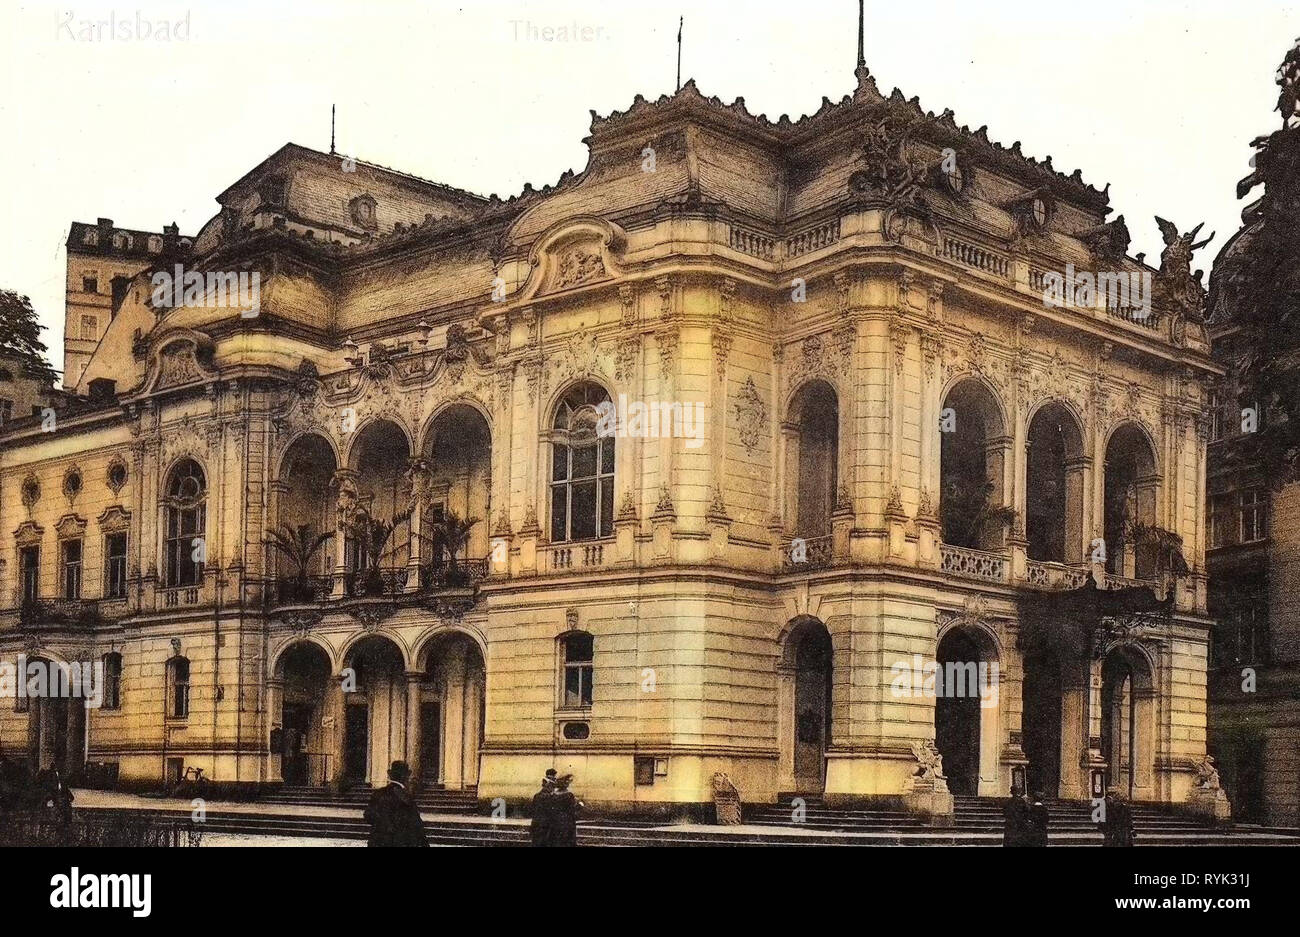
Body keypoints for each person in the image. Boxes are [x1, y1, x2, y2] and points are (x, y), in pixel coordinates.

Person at [363, 761, 428, 847]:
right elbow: (417, 825)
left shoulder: (378, 793)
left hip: (379, 841)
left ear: (390, 774)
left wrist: (382, 826)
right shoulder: (405, 796)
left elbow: (368, 815)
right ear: (406, 775)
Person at [550, 773, 583, 847]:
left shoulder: (553, 794)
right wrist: (580, 805)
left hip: (555, 822)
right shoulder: (568, 795)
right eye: (568, 781)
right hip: (567, 822)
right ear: (565, 783)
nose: (569, 782)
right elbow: (572, 809)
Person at [530, 769, 558, 846]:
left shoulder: (537, 796)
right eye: (552, 786)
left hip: (538, 827)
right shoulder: (551, 797)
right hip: (546, 828)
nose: (553, 788)